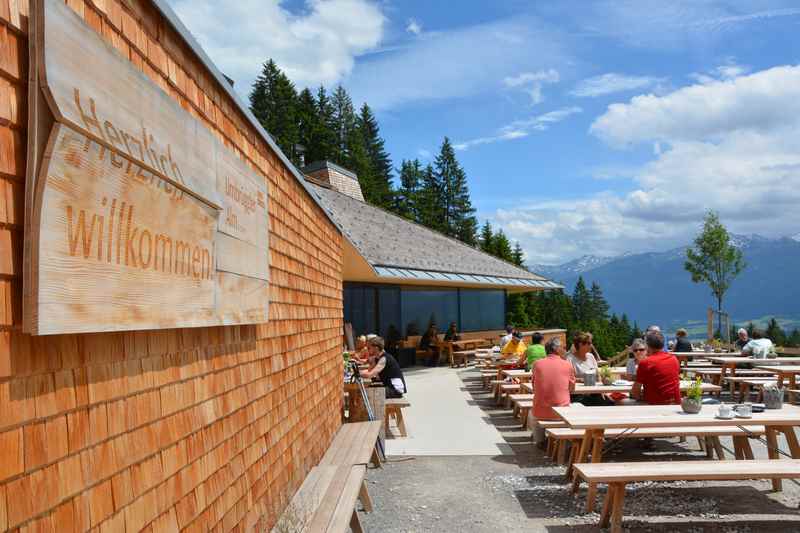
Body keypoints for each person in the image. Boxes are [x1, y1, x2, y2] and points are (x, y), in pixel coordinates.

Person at [529, 338, 575, 449]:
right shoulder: (568, 365)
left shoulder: (537, 364)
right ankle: (569, 441)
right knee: (578, 406)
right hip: (561, 413)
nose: (564, 350)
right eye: (563, 347)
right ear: (557, 349)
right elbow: (572, 389)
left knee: (532, 412)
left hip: (541, 412)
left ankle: (539, 440)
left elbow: (534, 387)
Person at [631, 330, 681, 405]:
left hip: (655, 406)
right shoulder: (674, 359)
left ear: (647, 346)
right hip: (675, 404)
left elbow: (635, 392)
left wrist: (641, 397)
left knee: (622, 402)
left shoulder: (645, 363)